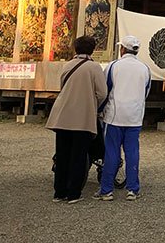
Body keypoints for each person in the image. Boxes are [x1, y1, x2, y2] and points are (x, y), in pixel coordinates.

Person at [46, 35, 107, 204]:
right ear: (92, 49)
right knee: (78, 155)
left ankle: (59, 192)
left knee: (62, 154)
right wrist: (93, 104)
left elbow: (63, 87)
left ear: (76, 48)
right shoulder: (94, 67)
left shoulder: (68, 65)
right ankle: (73, 193)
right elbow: (102, 93)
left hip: (62, 115)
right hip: (82, 117)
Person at [94, 35, 151, 201]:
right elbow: (145, 92)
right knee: (132, 151)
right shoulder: (144, 68)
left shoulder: (113, 66)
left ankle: (106, 189)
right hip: (135, 115)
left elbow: (105, 91)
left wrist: (100, 109)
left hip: (114, 115)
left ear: (123, 49)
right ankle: (133, 188)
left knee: (111, 152)